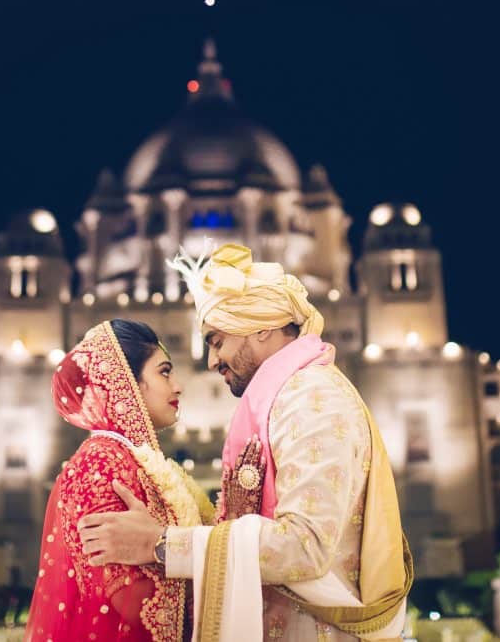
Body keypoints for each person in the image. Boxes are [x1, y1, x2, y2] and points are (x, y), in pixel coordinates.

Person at [76, 245, 412, 641]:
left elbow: (305, 547)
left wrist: (161, 544)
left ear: (262, 326)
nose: (211, 360)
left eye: (217, 341)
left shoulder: (312, 400)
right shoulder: (286, 398)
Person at [27, 319, 240, 642]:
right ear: (126, 383)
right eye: (165, 372)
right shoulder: (100, 462)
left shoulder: (134, 459)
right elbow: (131, 599)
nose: (178, 386)